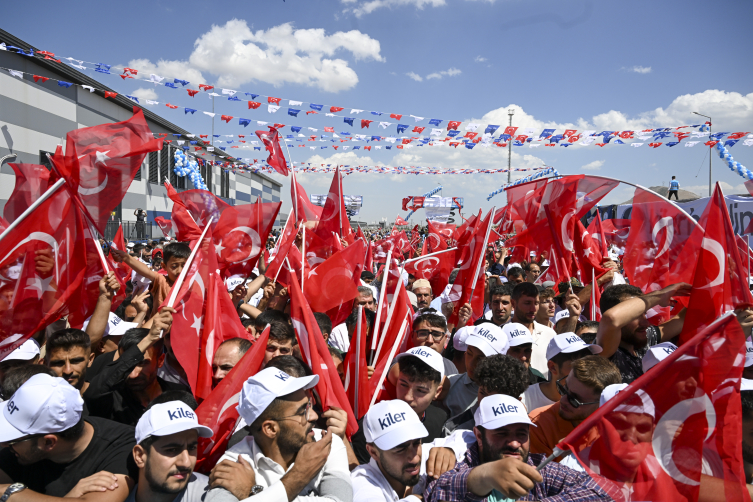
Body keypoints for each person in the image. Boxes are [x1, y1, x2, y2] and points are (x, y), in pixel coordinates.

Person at [424, 394, 611, 502]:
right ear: (479, 436)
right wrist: (485, 475)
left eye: (521, 434)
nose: (514, 443)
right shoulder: (458, 465)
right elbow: (437, 492)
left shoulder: (539, 468)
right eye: (502, 433)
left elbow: (605, 490)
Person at [204, 367, 352, 502]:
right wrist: (298, 476)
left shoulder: (328, 442)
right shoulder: (234, 462)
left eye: (309, 405)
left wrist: (254, 492)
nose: (314, 416)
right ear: (270, 429)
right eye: (302, 412)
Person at [0, 373, 138, 499]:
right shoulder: (18, 450)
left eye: (12, 440)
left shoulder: (122, 447)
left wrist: (8, 493)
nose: (4, 444)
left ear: (49, 443)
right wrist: (69, 498)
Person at [84, 310, 184, 426]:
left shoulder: (179, 395)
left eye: (143, 363)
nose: (133, 374)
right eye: (128, 364)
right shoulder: (111, 399)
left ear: (160, 361)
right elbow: (93, 392)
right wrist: (148, 339)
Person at [350, 400, 463, 502]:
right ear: (373, 452)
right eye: (400, 448)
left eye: (416, 442)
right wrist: (423, 498)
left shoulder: (426, 454)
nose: (415, 458)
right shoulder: (362, 482)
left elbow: (467, 436)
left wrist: (451, 450)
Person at [354, 347, 446, 465]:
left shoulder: (441, 420)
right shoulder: (371, 425)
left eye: (420, 390)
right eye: (403, 384)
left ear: (437, 392)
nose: (408, 397)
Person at [595, 283, 689, 384]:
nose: (646, 322)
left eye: (644, 313)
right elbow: (611, 319)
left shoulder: (645, 337)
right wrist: (659, 295)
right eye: (635, 316)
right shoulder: (605, 353)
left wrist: (704, 287)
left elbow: (681, 320)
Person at [528, 355, 621, 456]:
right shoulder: (539, 423)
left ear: (603, 404)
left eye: (574, 400)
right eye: (564, 388)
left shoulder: (621, 426)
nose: (563, 400)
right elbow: (540, 471)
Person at [129, 398, 213, 502]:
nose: (186, 463)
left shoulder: (212, 494)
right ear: (140, 456)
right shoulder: (114, 496)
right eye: (172, 450)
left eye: (191, 448)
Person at [444, 354, 529, 434]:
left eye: (495, 399)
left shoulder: (529, 430)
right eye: (483, 393)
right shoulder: (453, 430)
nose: (486, 403)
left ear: (518, 402)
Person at [442, 324, 508, 424]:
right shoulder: (449, 384)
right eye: (469, 353)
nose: (471, 363)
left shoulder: (509, 391)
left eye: (480, 359)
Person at [521, 333, 602, 413]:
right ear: (552, 367)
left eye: (587, 363)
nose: (584, 370)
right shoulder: (524, 399)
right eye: (576, 365)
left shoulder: (594, 400)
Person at [112, 242, 191, 318]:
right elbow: (146, 271)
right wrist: (126, 257)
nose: (180, 271)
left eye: (184, 266)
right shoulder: (162, 281)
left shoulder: (194, 284)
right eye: (174, 266)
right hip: (159, 329)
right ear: (164, 266)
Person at [509, 283, 557, 379]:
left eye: (536, 303)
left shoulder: (550, 334)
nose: (533, 309)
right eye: (527, 303)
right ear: (513, 304)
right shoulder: (500, 334)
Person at [45, 329, 95, 393]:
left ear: (90, 360)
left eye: (75, 361)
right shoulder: (37, 401)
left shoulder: (107, 399)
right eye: (59, 363)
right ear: (45, 364)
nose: (67, 371)